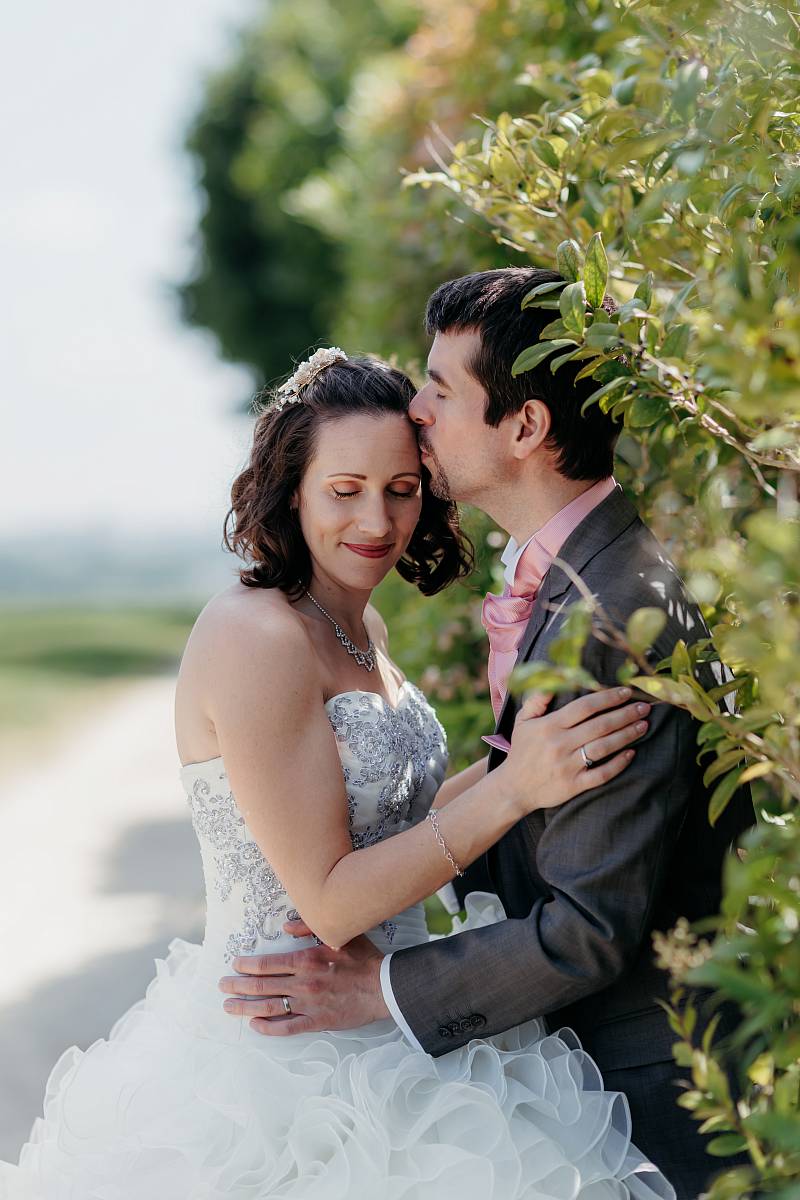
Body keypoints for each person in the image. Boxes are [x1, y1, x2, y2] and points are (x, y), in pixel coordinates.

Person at [0, 346, 667, 1200]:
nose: (377, 522)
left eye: (401, 488)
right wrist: (510, 790)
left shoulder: (363, 629)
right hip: (281, 1055)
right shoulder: (256, 634)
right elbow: (331, 900)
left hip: (392, 1013)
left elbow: (399, 820)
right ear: (292, 491)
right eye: (344, 490)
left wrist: (522, 760)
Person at [222, 274, 754, 1200]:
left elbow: (589, 928)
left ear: (525, 426)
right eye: (344, 489)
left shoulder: (610, 612)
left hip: (654, 1080)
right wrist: (505, 784)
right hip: (349, 1036)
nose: (417, 411)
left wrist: (381, 988)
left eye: (440, 388)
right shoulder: (574, 579)